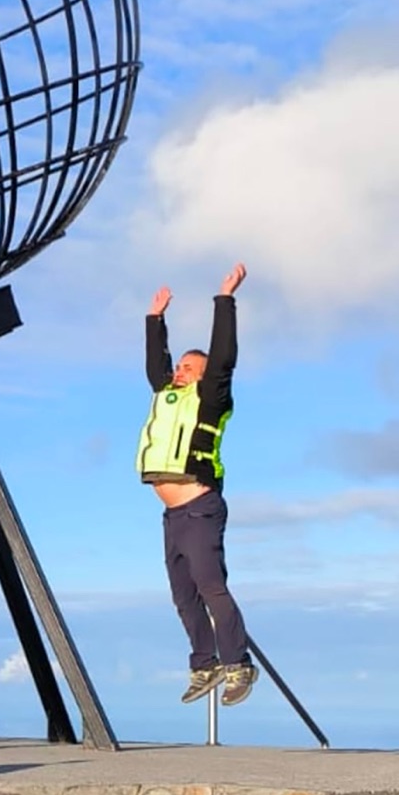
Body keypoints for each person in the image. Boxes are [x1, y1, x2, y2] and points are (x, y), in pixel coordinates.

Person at [139, 262, 256, 706]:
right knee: (183, 595)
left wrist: (224, 299)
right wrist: (155, 320)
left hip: (201, 507)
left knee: (211, 587)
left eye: (189, 367)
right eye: (180, 366)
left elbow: (223, 356)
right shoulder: (167, 396)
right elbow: (156, 365)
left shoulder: (212, 398)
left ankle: (238, 664)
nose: (180, 372)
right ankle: (203, 664)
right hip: (172, 515)